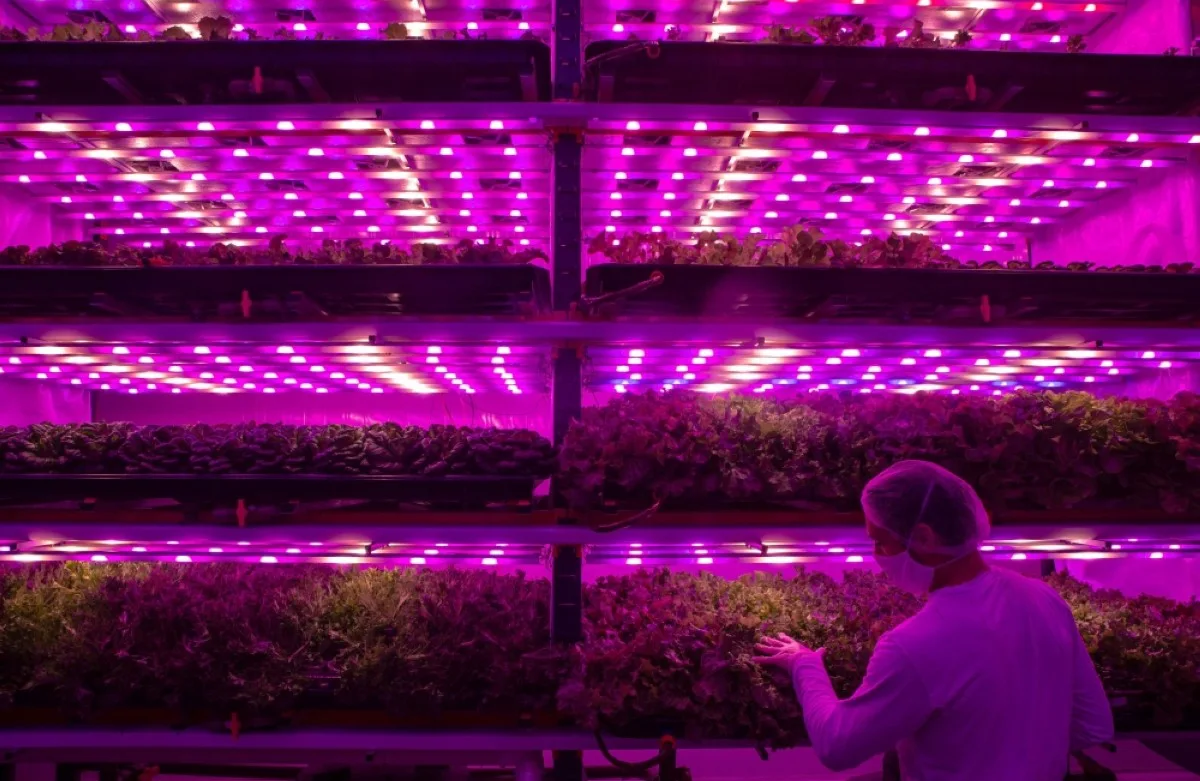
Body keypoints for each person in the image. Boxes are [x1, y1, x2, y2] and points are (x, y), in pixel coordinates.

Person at [753, 460, 1114, 780]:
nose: (877, 556)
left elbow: (838, 745)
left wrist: (804, 665)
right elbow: (1092, 722)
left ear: (923, 537)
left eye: (880, 542)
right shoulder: (1044, 598)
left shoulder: (914, 643)